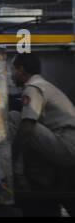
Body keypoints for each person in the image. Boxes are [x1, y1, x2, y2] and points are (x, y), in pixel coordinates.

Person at [8, 53, 75, 189]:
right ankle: (41, 180)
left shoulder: (33, 88)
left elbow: (27, 127)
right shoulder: (44, 85)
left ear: (21, 70)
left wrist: (12, 157)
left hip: (67, 146)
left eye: (13, 70)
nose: (11, 75)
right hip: (67, 142)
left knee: (15, 117)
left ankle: (16, 176)